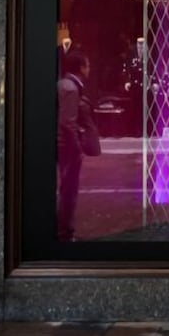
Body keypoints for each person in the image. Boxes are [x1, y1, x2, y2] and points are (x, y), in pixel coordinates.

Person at [57, 50, 96, 241]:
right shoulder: (71, 89)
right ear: (80, 68)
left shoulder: (63, 84)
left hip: (62, 143)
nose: (89, 69)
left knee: (66, 188)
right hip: (66, 145)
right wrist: (77, 147)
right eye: (87, 65)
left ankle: (63, 229)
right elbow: (67, 122)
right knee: (69, 190)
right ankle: (65, 231)